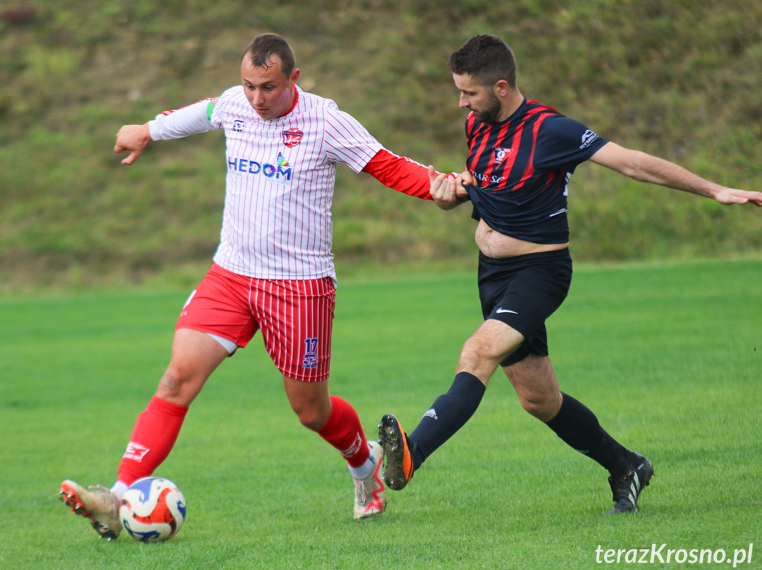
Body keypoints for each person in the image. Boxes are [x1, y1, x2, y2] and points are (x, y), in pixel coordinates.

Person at [59, 33, 454, 538]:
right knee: (176, 381)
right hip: (230, 275)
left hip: (299, 286)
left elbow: (386, 165)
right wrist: (147, 130)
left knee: (310, 411)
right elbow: (204, 112)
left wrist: (444, 184)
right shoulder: (236, 104)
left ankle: (364, 465)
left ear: (294, 77)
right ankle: (116, 500)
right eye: (248, 85)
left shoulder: (325, 120)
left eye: (267, 87)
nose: (256, 98)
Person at [378, 34, 762, 514]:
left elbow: (634, 164)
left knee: (477, 352)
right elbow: (486, 184)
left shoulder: (550, 131)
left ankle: (412, 453)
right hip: (492, 275)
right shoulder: (477, 125)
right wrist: (452, 194)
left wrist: (715, 190)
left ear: (500, 87)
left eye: (468, 92)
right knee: (540, 399)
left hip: (538, 273)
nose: (461, 102)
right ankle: (626, 466)